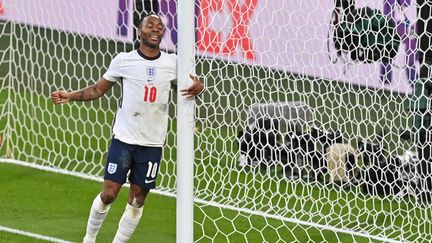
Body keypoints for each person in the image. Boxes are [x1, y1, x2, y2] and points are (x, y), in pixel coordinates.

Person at [51, 14, 204, 243]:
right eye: (150, 25)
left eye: (160, 27)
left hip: (152, 143)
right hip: (124, 138)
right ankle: (89, 238)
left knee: (137, 200)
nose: (156, 29)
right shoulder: (124, 60)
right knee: (109, 193)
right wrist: (70, 96)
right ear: (139, 32)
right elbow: (97, 90)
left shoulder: (173, 63)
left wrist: (198, 86)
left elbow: (192, 85)